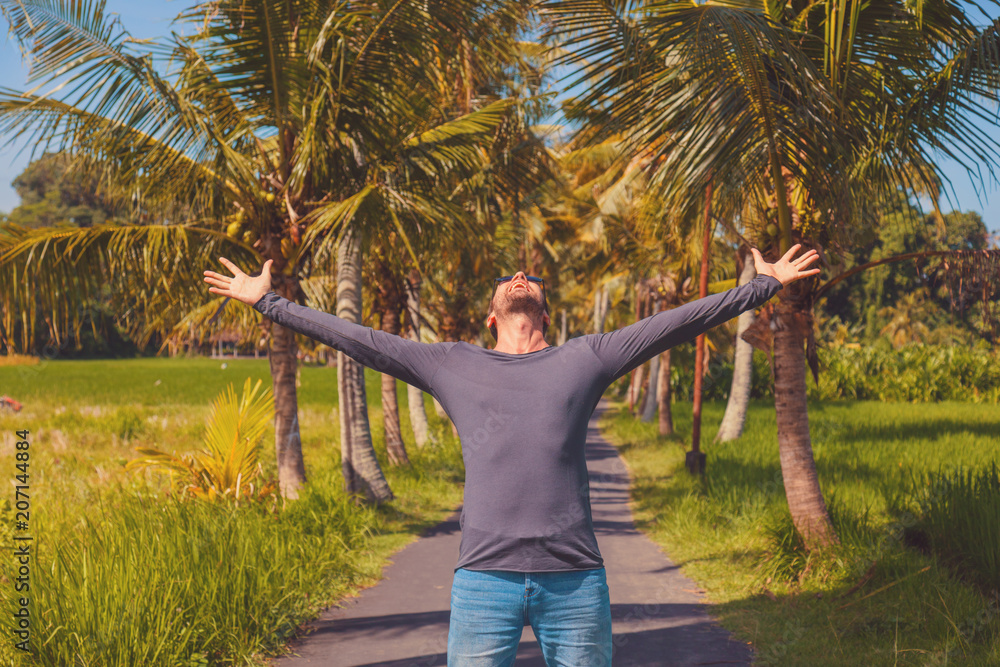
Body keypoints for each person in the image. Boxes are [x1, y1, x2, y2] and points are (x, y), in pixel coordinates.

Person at [203, 244, 820, 666]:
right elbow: (360, 342)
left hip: (575, 579)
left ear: (543, 310)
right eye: (508, 277)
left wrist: (762, 286)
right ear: (490, 312)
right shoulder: (453, 363)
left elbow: (675, 324)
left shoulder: (587, 357)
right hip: (483, 580)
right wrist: (268, 303)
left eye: (530, 278)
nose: (519, 276)